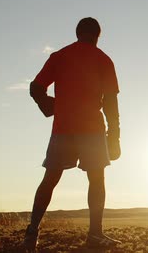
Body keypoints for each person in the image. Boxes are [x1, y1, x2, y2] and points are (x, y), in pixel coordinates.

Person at [23, 17, 122, 251]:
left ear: (77, 33)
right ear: (98, 36)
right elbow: (110, 102)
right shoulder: (103, 59)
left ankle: (31, 232)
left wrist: (50, 107)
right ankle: (95, 235)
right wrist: (115, 136)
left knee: (50, 179)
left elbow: (35, 88)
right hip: (92, 129)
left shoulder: (59, 56)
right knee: (96, 180)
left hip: (63, 128)